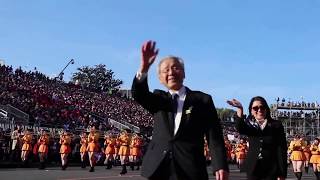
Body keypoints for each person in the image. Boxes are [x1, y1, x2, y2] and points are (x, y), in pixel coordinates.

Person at [132, 40, 229, 180]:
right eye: (165, 70)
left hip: (191, 167)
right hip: (158, 168)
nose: (171, 72)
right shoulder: (158, 99)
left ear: (184, 73)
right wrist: (144, 67)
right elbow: (139, 94)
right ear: (160, 79)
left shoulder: (202, 100)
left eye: (176, 68)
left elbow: (214, 135)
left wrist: (220, 164)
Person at [227, 97, 287, 180]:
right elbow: (240, 128)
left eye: (262, 107)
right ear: (251, 111)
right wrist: (240, 108)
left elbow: (281, 149)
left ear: (266, 109)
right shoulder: (249, 124)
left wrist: (282, 173)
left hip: (271, 168)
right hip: (253, 167)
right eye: (255, 108)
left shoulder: (276, 125)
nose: (259, 110)